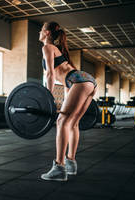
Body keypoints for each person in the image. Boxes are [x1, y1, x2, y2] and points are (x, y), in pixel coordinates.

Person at [39, 21, 97, 181]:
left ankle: (59, 167)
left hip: (77, 81)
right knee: (72, 123)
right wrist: (62, 104)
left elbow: (50, 74)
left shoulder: (47, 48)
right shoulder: (58, 50)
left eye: (41, 29)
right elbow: (66, 83)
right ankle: (70, 162)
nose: (39, 32)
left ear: (47, 33)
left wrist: (47, 97)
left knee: (61, 123)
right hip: (87, 81)